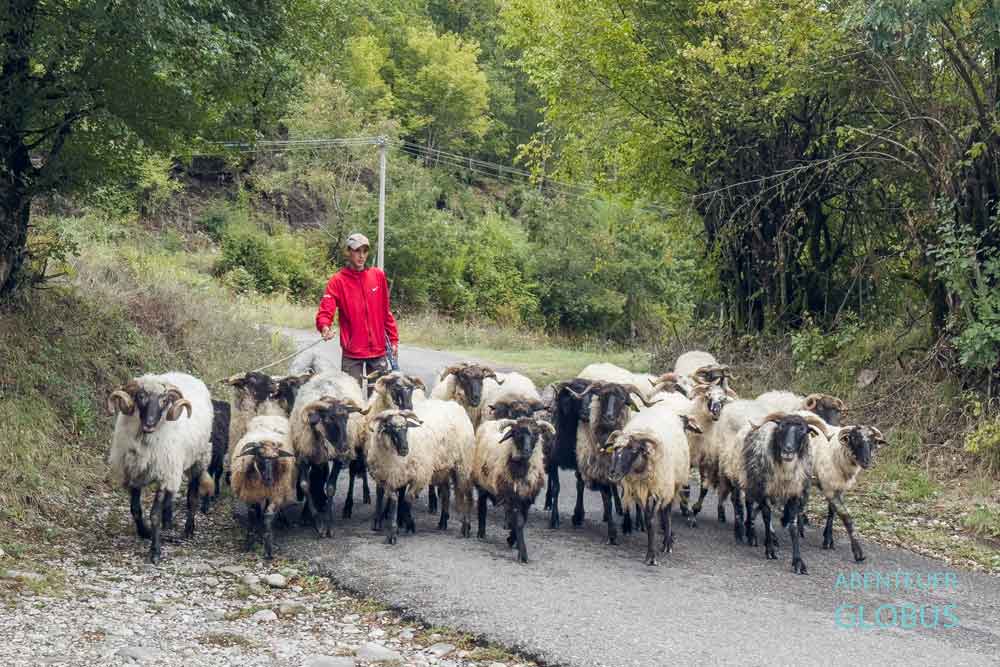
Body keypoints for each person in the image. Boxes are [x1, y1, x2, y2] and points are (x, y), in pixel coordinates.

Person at [315, 232, 399, 386]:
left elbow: (385, 312)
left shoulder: (378, 276)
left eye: (365, 251)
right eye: (357, 251)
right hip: (352, 354)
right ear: (348, 252)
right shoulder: (337, 281)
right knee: (351, 401)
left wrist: (393, 340)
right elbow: (326, 309)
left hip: (378, 352)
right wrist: (324, 326)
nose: (361, 256)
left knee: (381, 403)